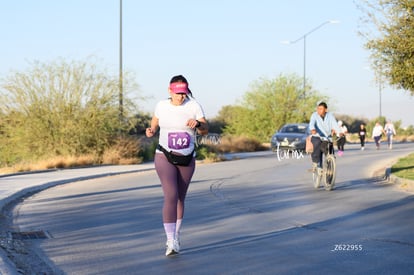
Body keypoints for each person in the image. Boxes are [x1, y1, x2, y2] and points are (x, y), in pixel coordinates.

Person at [146, 75, 208, 256]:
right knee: (171, 195)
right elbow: (154, 124)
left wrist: (198, 124)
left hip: (187, 158)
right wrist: (151, 131)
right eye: (178, 93)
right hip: (164, 155)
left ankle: (176, 234)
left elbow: (205, 129)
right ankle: (170, 241)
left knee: (181, 197)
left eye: (184, 93)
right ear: (170, 91)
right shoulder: (161, 105)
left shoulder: (194, 105)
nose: (181, 97)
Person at [309, 101, 343, 170]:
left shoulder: (330, 116)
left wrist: (339, 132)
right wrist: (312, 129)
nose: (319, 110)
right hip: (317, 136)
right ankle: (316, 163)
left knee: (329, 151)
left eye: (321, 109)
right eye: (318, 109)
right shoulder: (314, 115)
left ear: (326, 109)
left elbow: (335, 125)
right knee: (317, 144)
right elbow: (311, 123)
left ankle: (329, 171)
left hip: (327, 138)